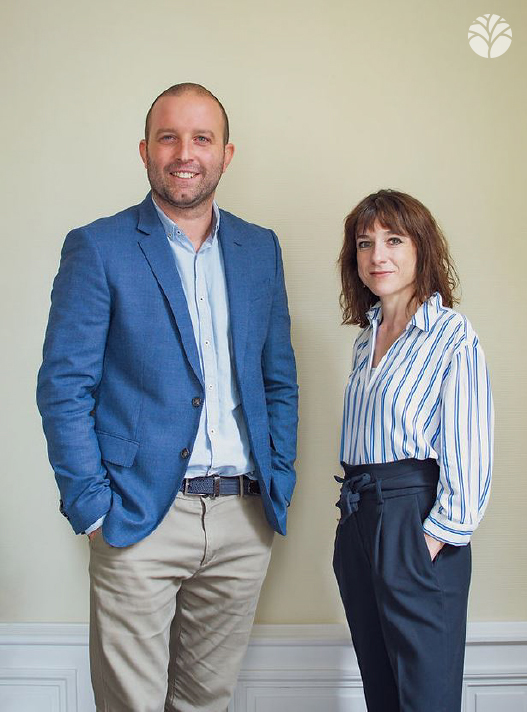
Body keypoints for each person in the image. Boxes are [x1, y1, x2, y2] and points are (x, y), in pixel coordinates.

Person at [37, 82, 298, 712]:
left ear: (226, 154)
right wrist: (92, 508)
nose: (185, 153)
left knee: (207, 701)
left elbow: (278, 379)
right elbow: (64, 386)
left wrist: (279, 477)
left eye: (202, 138)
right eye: (169, 137)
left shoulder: (259, 248)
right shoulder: (98, 246)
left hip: (243, 517)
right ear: (145, 150)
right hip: (137, 516)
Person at [333, 189, 493, 712]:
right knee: (382, 693)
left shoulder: (451, 335)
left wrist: (428, 541)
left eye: (394, 240)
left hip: (415, 519)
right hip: (359, 516)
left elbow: (470, 451)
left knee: (426, 698)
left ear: (421, 248)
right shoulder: (366, 339)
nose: (377, 255)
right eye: (365, 243)